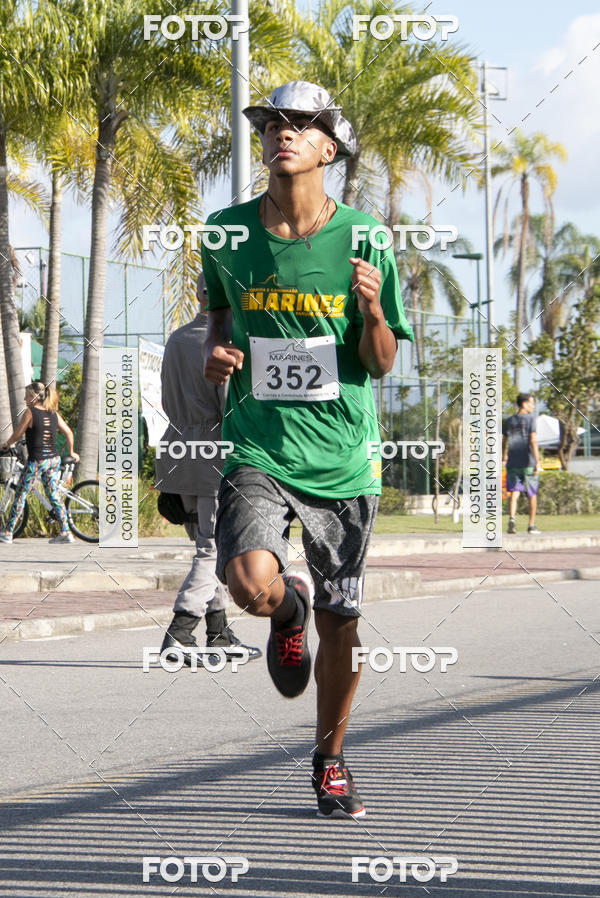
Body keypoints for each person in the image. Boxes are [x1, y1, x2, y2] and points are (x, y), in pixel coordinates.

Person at [202, 81, 414, 818]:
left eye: (301, 124)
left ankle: (330, 757)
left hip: (344, 459)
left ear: (330, 147)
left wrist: (372, 312)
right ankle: (283, 612)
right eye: (271, 124)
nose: (281, 133)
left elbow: (382, 362)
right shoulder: (225, 232)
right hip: (259, 447)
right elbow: (220, 327)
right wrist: (219, 357)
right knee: (251, 586)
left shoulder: (366, 240)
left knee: (344, 621)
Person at [156, 273, 261, 667]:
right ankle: (180, 632)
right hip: (216, 453)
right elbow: (230, 407)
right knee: (211, 546)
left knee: (207, 546)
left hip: (178, 451)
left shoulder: (177, 338)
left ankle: (218, 633)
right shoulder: (227, 346)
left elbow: (167, 398)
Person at [0, 381, 78, 544]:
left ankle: (8, 532)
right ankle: (65, 532)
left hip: (37, 461)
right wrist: (71, 452)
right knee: (54, 495)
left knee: (21, 494)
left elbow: (17, 434)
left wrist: (6, 444)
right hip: (53, 460)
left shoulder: (30, 412)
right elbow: (69, 433)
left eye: (27, 395)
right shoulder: (53, 413)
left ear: (35, 397)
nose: (24, 398)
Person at [502, 392, 541, 534]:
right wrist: (537, 461)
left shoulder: (509, 420)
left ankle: (512, 519)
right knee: (532, 493)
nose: (533, 406)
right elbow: (533, 440)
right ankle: (531, 526)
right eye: (531, 403)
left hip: (512, 462)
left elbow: (504, 440)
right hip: (528, 462)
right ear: (524, 404)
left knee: (514, 492)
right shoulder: (531, 419)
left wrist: (504, 455)